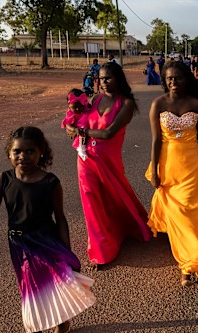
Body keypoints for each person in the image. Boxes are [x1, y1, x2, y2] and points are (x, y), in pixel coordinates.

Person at [0, 126, 95, 333]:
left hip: (48, 244)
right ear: (9, 153)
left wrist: (67, 253)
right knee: (31, 293)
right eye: (17, 151)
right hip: (20, 247)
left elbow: (60, 219)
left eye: (29, 150)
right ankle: (37, 327)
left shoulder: (51, 183)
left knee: (58, 290)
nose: (23, 156)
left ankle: (61, 326)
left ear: (41, 151)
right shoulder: (2, 181)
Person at [66, 62, 151, 269]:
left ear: (119, 79)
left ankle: (126, 229)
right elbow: (79, 120)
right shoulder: (95, 99)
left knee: (115, 196)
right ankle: (101, 251)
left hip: (109, 161)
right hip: (86, 160)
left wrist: (81, 132)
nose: (103, 82)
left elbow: (108, 133)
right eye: (101, 79)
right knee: (92, 202)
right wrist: (70, 126)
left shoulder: (127, 103)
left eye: (108, 78)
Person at [145, 60, 198, 286]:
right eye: (169, 78)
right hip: (169, 163)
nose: (174, 82)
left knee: (196, 210)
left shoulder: (196, 104)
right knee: (179, 214)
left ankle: (194, 259)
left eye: (178, 78)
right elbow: (156, 140)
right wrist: (156, 169)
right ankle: (186, 264)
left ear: (187, 79)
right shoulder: (158, 104)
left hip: (192, 163)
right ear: (165, 81)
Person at [61, 88, 89, 160]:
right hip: (78, 131)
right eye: (74, 107)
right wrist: (75, 129)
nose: (77, 109)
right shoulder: (70, 113)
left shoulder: (86, 107)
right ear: (69, 106)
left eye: (80, 107)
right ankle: (81, 149)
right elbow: (67, 125)